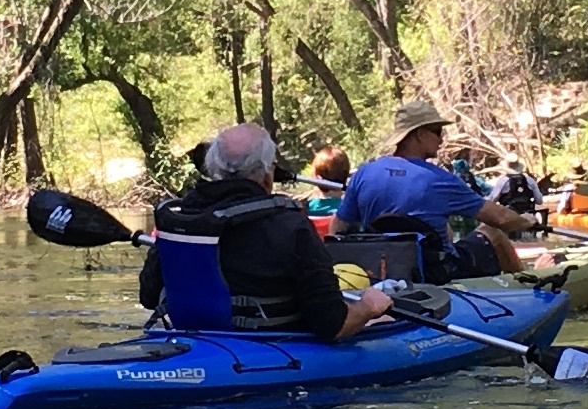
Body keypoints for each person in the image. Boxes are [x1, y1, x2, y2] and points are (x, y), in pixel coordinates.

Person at [142, 124, 397, 340]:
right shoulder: (291, 225)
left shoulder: (177, 217)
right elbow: (333, 325)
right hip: (269, 348)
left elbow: (148, 296)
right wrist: (367, 307)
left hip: (195, 340)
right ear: (266, 174)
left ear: (213, 168)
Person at [337, 98, 538, 279]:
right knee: (492, 232)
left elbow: (338, 228)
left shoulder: (363, 174)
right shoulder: (439, 179)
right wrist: (525, 221)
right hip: (437, 271)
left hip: (381, 269)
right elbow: (500, 218)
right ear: (419, 134)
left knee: (447, 230)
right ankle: (527, 283)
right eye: (437, 132)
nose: (441, 139)